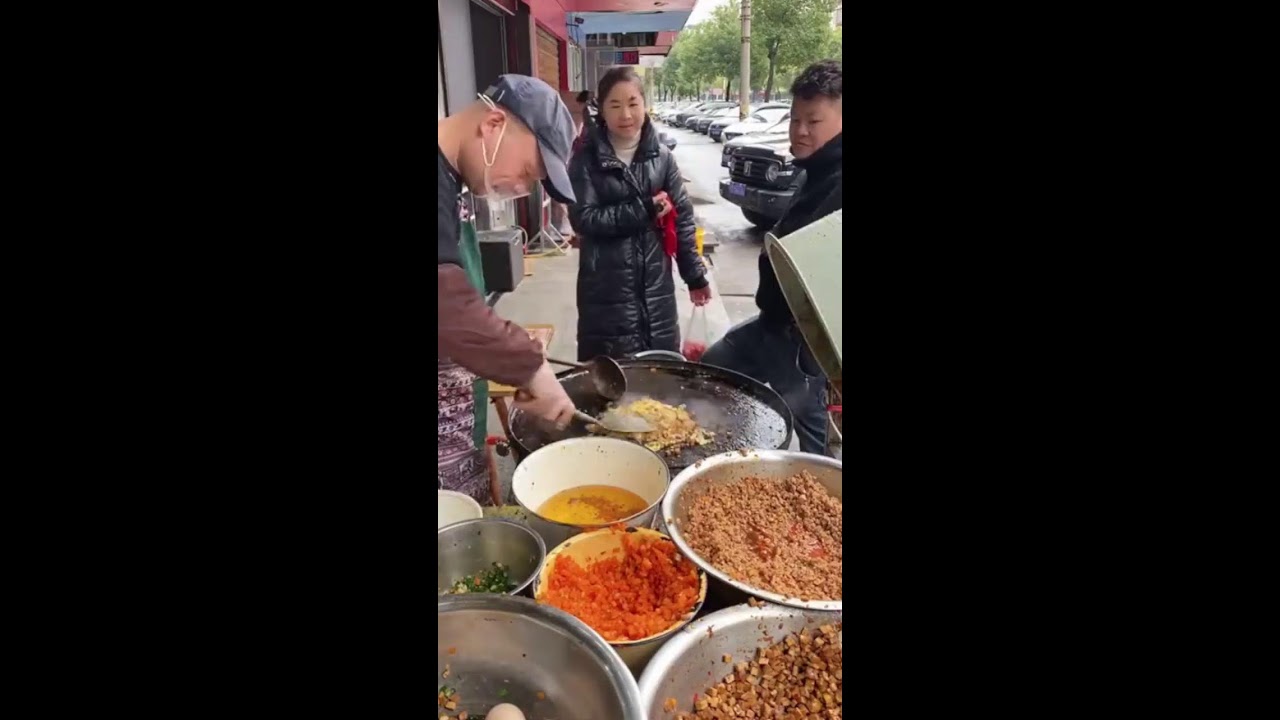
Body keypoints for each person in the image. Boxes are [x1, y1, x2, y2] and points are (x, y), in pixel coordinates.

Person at [438, 74, 578, 501]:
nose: (521, 189)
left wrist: (503, 343)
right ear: (494, 124)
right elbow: (445, 302)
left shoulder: (451, 182)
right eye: (528, 172)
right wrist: (530, 365)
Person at [700, 60, 843, 456]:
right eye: (795, 118)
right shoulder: (814, 170)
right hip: (770, 322)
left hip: (803, 338)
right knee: (715, 367)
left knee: (810, 431)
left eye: (813, 121)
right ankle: (724, 446)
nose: (800, 130)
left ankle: (827, 501)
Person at [568, 67, 711, 360]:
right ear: (602, 110)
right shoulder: (586, 160)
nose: (626, 115)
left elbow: (682, 221)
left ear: (645, 105)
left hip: (657, 289)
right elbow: (583, 219)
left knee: (661, 381)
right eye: (615, 105)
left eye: (633, 104)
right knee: (612, 387)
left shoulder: (662, 158)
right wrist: (644, 210)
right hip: (606, 293)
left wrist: (695, 276)